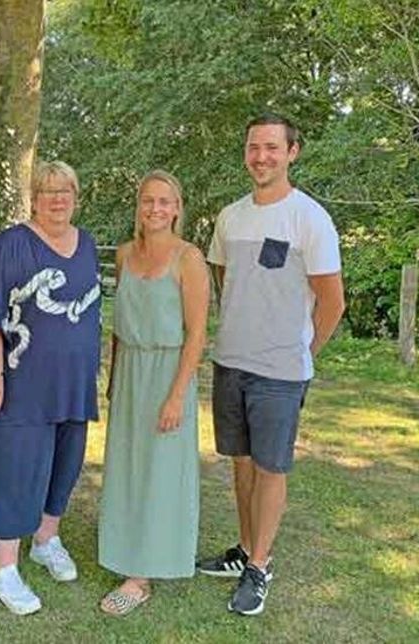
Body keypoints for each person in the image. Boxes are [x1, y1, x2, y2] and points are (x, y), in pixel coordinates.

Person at [199, 114, 345, 615]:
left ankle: (260, 567)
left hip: (280, 373)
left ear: (292, 152)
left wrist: (303, 351)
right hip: (230, 362)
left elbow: (332, 302)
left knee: (270, 467)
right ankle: (245, 550)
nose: (261, 157)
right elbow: (226, 281)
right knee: (241, 464)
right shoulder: (229, 218)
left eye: (271, 147)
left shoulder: (310, 219)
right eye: (253, 147)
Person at [0, 160, 102, 615]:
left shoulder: (87, 244)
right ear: (34, 198)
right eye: (47, 190)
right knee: (15, 468)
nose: (57, 198)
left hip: (74, 381)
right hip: (21, 381)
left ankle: (46, 539)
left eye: (65, 190)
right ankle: (4, 566)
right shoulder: (13, 244)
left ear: (76, 196)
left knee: (65, 462)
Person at [97, 171, 209, 615]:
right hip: (130, 371)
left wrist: (177, 395)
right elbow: (119, 326)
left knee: (160, 470)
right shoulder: (125, 254)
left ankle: (141, 576)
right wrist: (113, 377)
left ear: (177, 208)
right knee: (127, 465)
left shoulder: (189, 258)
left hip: (168, 371)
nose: (155, 209)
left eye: (164, 201)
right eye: (148, 201)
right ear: (138, 206)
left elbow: (197, 334)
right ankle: (123, 548)